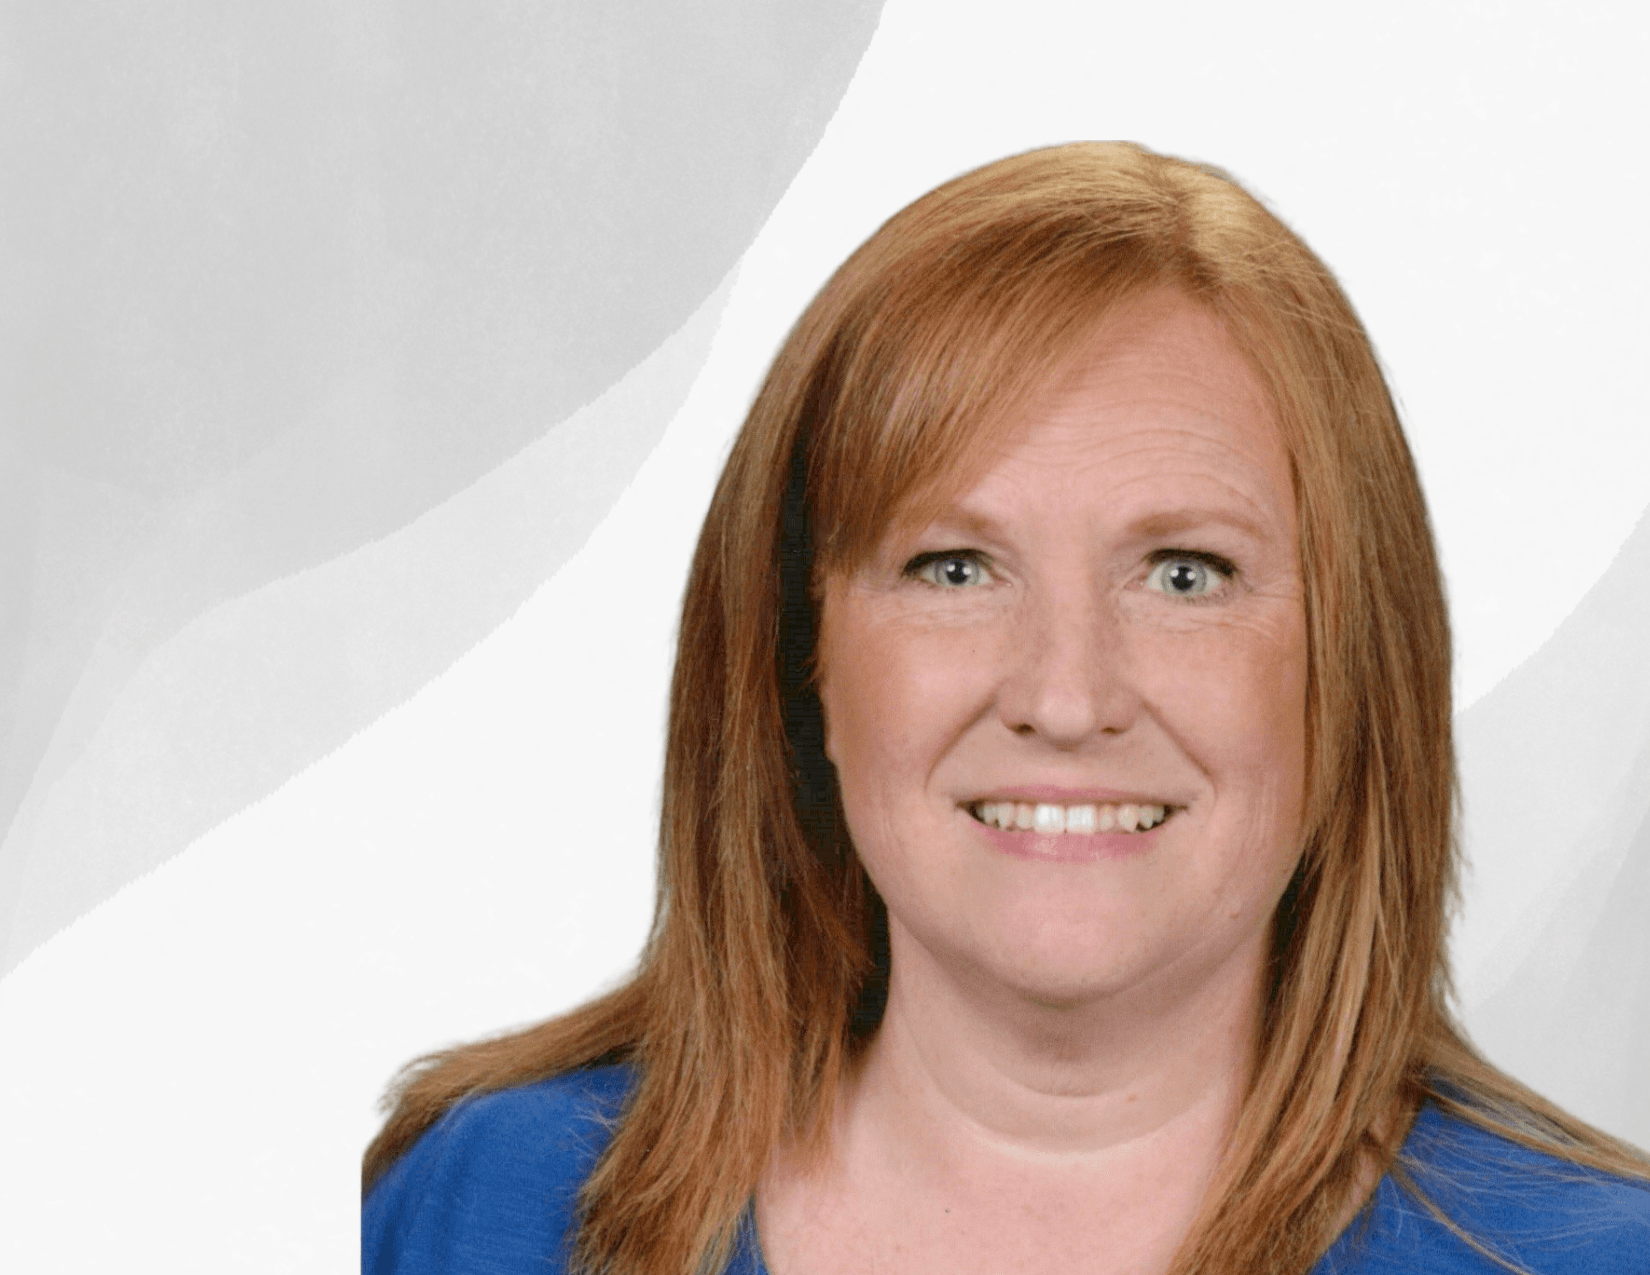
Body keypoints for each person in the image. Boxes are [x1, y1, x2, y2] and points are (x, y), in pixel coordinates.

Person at [361, 142, 1650, 1274]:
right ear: (800, 649)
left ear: (1353, 666)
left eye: (1185, 573)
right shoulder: (479, 1212)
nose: (1066, 696)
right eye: (954, 568)